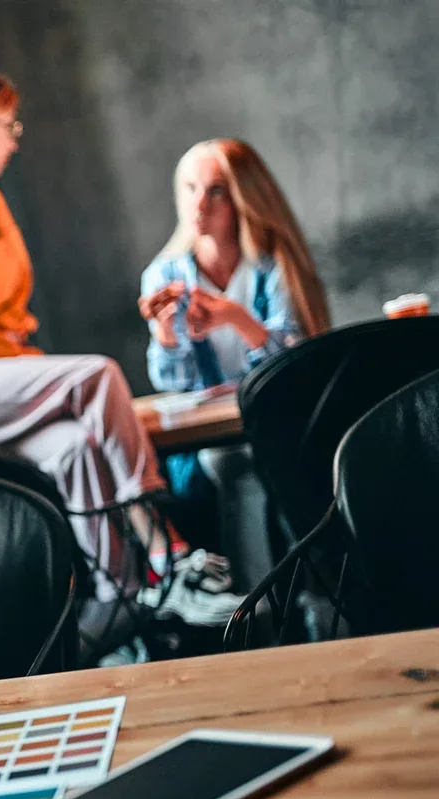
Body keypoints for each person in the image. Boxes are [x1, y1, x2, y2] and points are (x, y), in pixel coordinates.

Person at [0, 64, 240, 627]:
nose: (14, 138)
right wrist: (25, 357)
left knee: (73, 447)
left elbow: (13, 306)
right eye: (9, 125)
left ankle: (124, 598)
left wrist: (16, 350)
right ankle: (168, 550)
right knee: (94, 376)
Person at [138, 139, 330, 590]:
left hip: (285, 423)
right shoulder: (165, 276)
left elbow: (303, 367)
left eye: (216, 191)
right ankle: (260, 609)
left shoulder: (274, 265)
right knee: (232, 461)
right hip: (213, 439)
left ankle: (298, 598)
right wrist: (166, 338)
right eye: (189, 188)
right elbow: (174, 384)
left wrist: (238, 319)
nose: (198, 204)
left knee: (270, 458)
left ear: (245, 196)